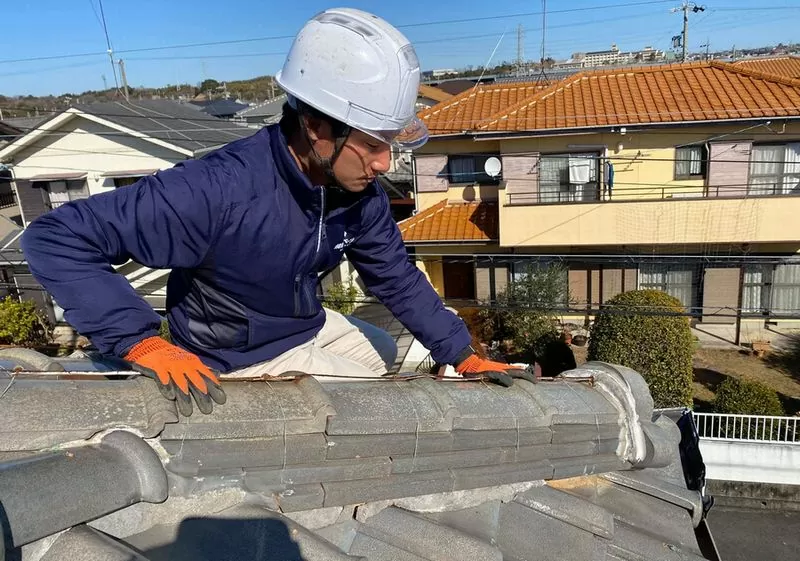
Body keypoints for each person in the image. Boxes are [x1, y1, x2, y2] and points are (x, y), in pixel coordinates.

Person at [21, 7, 534, 417]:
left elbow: (396, 276)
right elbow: (54, 238)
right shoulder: (215, 191)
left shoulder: (356, 192)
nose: (384, 164)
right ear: (316, 127)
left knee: (384, 348)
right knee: (382, 406)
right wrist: (139, 342)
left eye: (393, 144)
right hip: (239, 355)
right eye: (373, 144)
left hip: (301, 323)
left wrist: (459, 352)